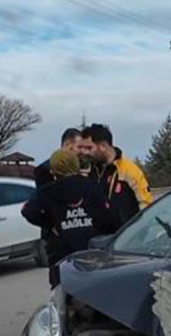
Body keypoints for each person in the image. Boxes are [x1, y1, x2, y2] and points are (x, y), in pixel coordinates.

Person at [22, 148, 115, 286]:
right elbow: (107, 217)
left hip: (62, 258)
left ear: (53, 170)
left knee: (62, 299)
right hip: (92, 254)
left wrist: (50, 224)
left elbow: (28, 211)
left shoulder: (47, 192)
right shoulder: (92, 186)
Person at [84, 122, 152, 226]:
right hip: (98, 238)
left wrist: (139, 234)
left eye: (89, 148)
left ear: (103, 146)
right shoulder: (91, 171)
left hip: (126, 238)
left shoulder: (130, 170)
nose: (86, 152)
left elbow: (146, 206)